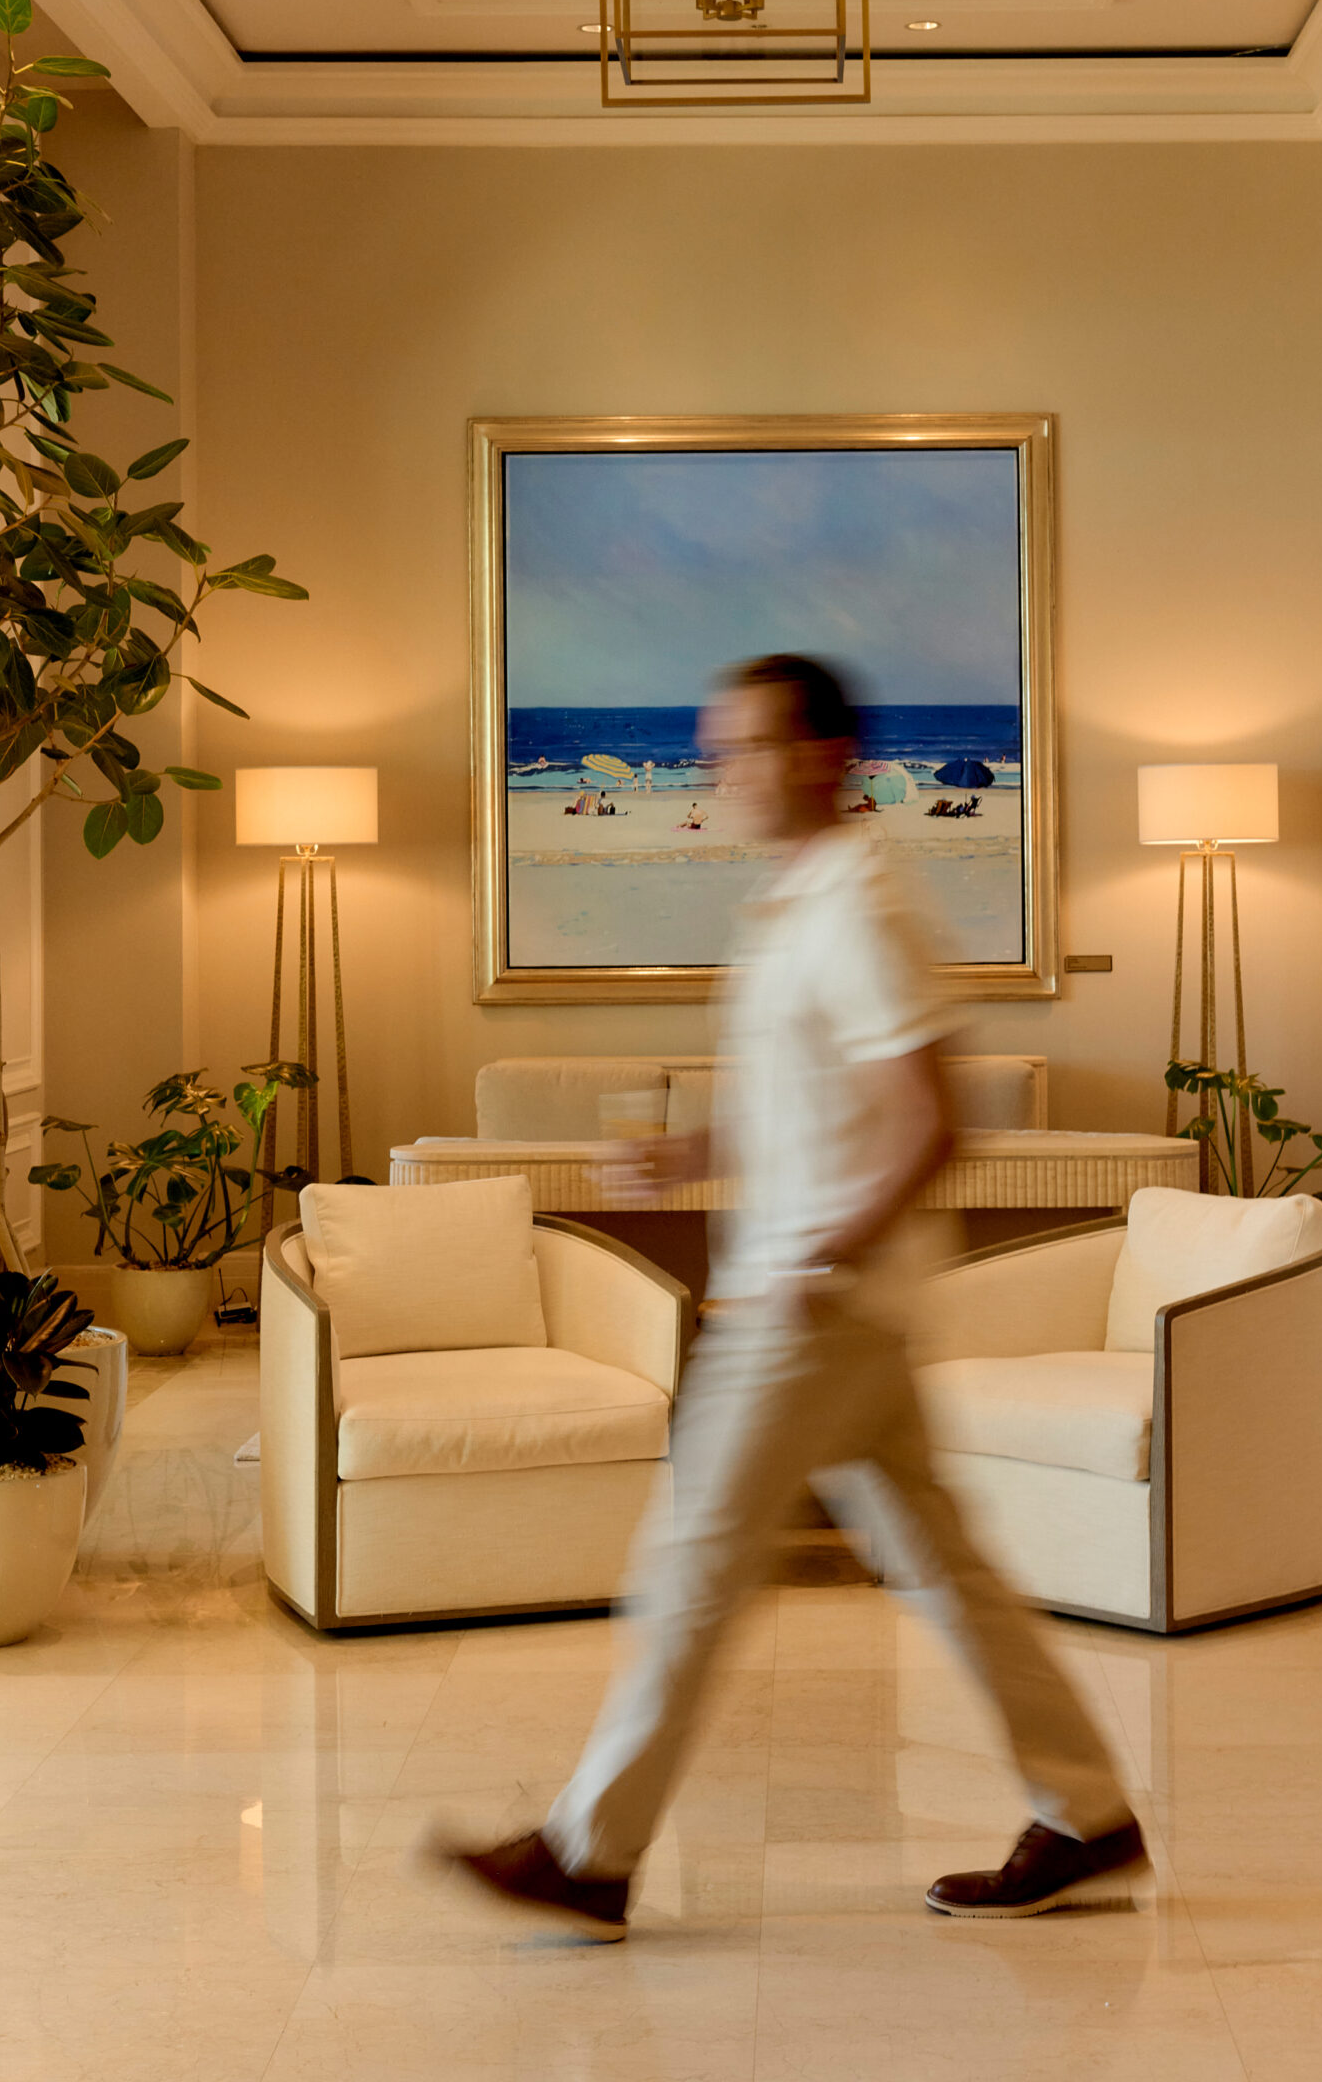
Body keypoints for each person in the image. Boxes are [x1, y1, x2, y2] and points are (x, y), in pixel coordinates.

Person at [431, 652, 1145, 1940]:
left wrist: (824, 1257)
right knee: (951, 1571)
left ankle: (590, 1852)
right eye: (716, 749)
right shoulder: (800, 896)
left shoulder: (856, 903)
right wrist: (696, 1154)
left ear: (818, 753)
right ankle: (1086, 1809)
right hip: (844, 1309)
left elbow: (930, 1124)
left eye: (745, 748)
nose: (721, 772)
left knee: (691, 1563)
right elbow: (810, 1104)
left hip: (813, 1309)